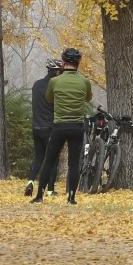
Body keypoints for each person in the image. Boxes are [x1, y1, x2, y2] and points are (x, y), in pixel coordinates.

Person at [30, 47, 92, 205]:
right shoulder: (84, 81)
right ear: (78, 63)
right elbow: (87, 98)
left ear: (63, 63)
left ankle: (39, 196)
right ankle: (71, 197)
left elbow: (49, 99)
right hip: (77, 127)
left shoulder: (55, 81)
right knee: (74, 164)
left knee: (49, 160)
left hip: (59, 127)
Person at [24, 58, 61, 197]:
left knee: (38, 157)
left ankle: (30, 182)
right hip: (49, 127)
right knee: (53, 159)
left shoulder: (37, 85)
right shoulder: (55, 87)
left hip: (36, 127)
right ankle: (50, 190)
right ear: (57, 72)